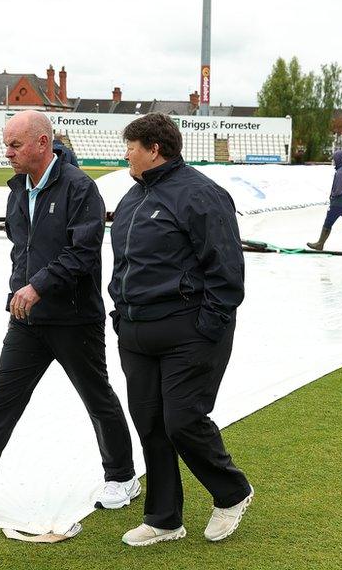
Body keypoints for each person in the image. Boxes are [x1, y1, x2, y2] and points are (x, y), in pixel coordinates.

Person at [0, 110, 138, 519]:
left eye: (15, 145)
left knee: (98, 399)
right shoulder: (17, 188)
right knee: (2, 400)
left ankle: (122, 476)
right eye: (6, 144)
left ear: (42, 143)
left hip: (74, 318)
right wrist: (16, 293)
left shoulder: (81, 189)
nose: (8, 153)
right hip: (26, 320)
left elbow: (83, 253)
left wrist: (38, 286)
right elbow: (20, 250)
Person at [108, 112, 252, 547]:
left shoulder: (201, 194)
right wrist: (120, 312)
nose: (126, 154)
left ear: (155, 148)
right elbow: (124, 264)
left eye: (131, 147)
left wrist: (208, 326)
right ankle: (164, 518)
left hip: (188, 331)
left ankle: (232, 492)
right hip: (135, 332)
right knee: (149, 423)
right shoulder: (133, 198)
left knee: (183, 420)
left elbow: (226, 269)